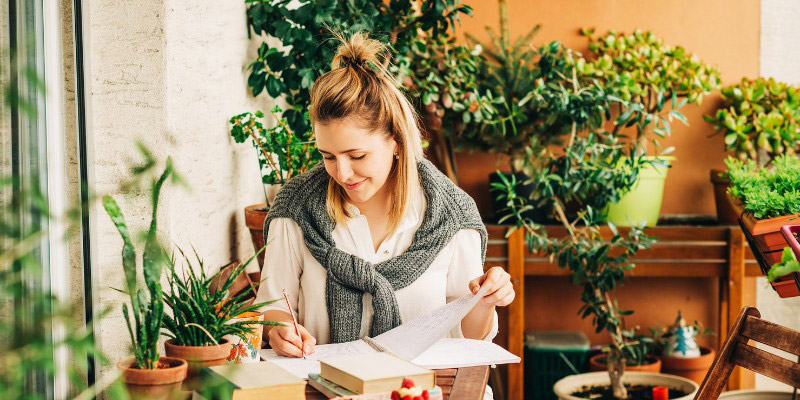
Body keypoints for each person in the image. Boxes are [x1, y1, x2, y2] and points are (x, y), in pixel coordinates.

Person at [255, 32, 515, 363]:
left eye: (357, 155)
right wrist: (279, 331)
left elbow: (470, 337)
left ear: (394, 140)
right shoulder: (296, 209)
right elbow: (273, 307)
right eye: (329, 156)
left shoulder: (452, 216)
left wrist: (486, 301)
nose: (343, 173)